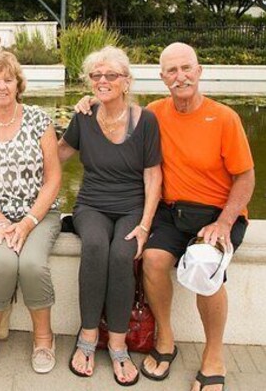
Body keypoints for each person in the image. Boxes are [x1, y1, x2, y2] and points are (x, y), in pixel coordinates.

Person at [76, 42, 254, 391]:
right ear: (162, 78)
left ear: (199, 71)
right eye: (171, 71)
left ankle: (214, 355)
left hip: (216, 214)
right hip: (172, 213)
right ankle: (166, 340)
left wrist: (225, 221)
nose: (180, 76)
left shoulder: (224, 118)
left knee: (204, 264)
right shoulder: (154, 113)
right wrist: (92, 100)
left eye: (186, 68)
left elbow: (246, 177)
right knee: (153, 261)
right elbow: (116, 109)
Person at [59, 46, 161, 386]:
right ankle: (88, 336)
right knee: (95, 248)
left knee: (122, 254)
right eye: (96, 75)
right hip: (91, 205)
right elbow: (57, 154)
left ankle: (118, 343)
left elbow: (153, 175)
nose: (103, 81)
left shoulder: (145, 120)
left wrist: (145, 224)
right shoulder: (84, 116)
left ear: (126, 81)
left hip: (132, 206)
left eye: (111, 75)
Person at [0, 51, 62, 374]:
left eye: (8, 79)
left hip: (39, 214)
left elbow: (54, 177)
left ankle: (44, 338)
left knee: (32, 264)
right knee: (3, 262)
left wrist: (29, 221)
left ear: (18, 83)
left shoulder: (38, 119)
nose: (2, 86)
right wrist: (2, 222)